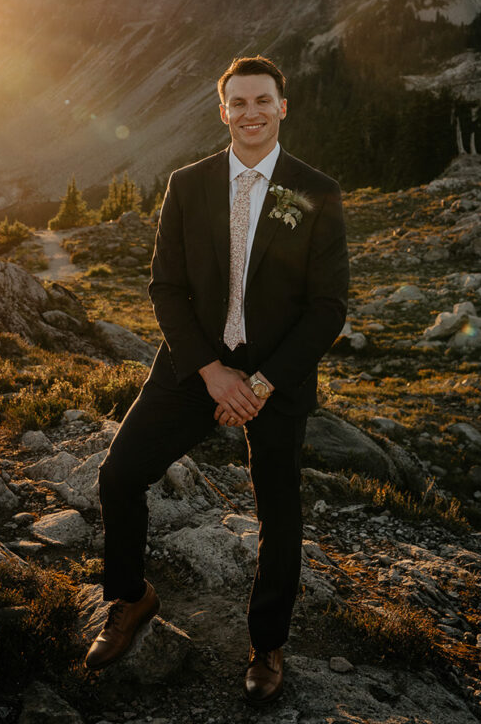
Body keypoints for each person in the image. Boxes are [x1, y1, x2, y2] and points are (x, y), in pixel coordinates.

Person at [85, 55, 349, 704]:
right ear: (222, 110)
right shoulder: (188, 184)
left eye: (263, 100)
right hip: (192, 364)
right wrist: (209, 371)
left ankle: (266, 644)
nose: (251, 112)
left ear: (282, 107)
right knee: (118, 475)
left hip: (275, 377)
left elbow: (327, 308)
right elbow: (165, 287)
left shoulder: (314, 191)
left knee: (278, 511)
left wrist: (258, 384)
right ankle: (128, 597)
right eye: (239, 102)